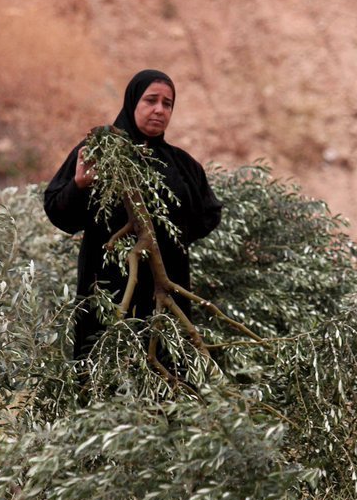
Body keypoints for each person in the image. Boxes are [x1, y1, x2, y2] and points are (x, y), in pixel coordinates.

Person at [44, 69, 223, 359]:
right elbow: (57, 210)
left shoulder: (183, 165)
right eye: (151, 100)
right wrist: (79, 186)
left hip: (164, 287)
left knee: (166, 373)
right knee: (103, 362)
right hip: (106, 286)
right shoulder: (98, 152)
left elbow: (209, 213)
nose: (159, 110)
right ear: (132, 102)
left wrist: (171, 239)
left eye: (167, 104)